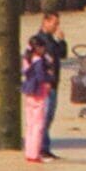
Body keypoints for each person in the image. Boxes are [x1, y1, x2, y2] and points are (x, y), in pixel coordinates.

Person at [21, 13, 68, 161]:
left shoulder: (52, 41)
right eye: (54, 23)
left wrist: (62, 41)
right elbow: (36, 65)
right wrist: (45, 81)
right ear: (45, 22)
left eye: (58, 24)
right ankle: (40, 149)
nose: (56, 27)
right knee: (42, 118)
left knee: (48, 117)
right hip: (43, 87)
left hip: (53, 84)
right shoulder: (38, 41)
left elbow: (62, 55)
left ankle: (43, 147)